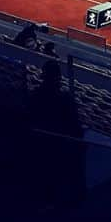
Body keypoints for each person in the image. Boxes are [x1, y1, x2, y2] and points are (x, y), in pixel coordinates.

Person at [27, 60, 84, 207]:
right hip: (61, 143)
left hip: (41, 142)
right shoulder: (64, 98)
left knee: (48, 174)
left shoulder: (35, 95)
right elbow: (75, 124)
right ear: (58, 76)